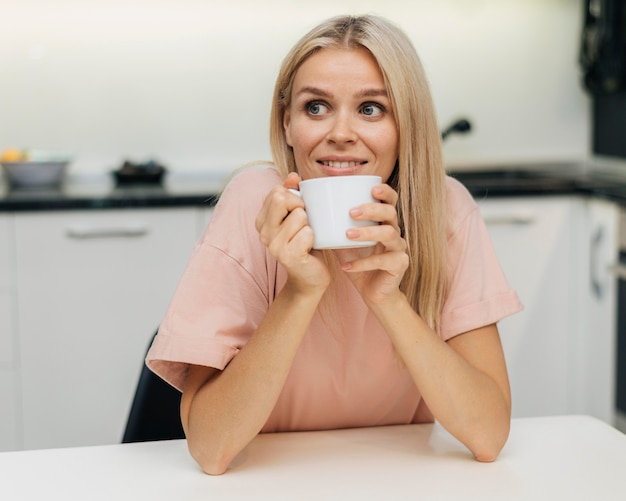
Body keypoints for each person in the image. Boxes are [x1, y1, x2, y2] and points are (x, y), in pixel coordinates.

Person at [146, 14, 523, 475]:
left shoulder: (445, 210)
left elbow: (487, 437)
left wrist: (387, 298)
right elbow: (210, 447)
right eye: (317, 107)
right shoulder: (252, 204)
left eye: (370, 109)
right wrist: (300, 292)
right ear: (288, 124)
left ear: (406, 126)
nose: (341, 133)